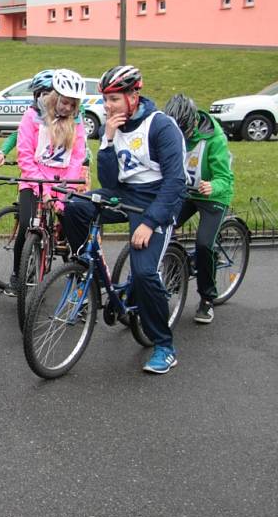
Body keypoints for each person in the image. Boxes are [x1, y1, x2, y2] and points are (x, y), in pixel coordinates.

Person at [62, 65, 186, 374]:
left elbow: (176, 182)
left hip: (157, 199)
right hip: (126, 194)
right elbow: (110, 182)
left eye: (114, 99)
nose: (108, 107)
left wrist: (150, 222)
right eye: (105, 100)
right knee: (75, 206)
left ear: (134, 96)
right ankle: (87, 265)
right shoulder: (114, 127)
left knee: (144, 275)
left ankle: (164, 346)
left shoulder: (161, 126)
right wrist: (107, 140)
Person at [4, 68, 88, 297]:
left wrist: (63, 193)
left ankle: (78, 278)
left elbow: (77, 158)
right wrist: (43, 189)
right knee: (26, 224)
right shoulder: (32, 116)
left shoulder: (77, 122)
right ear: (54, 96)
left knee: (74, 226)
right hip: (33, 180)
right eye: (64, 102)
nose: (67, 108)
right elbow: (25, 155)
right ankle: (16, 274)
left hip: (62, 182)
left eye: (73, 105)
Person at [164, 93, 234, 324]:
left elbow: (225, 177)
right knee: (163, 228)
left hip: (213, 196)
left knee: (204, 244)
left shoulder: (216, 139)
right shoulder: (171, 135)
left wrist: (212, 186)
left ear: (192, 122)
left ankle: (207, 299)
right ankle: (173, 276)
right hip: (186, 193)